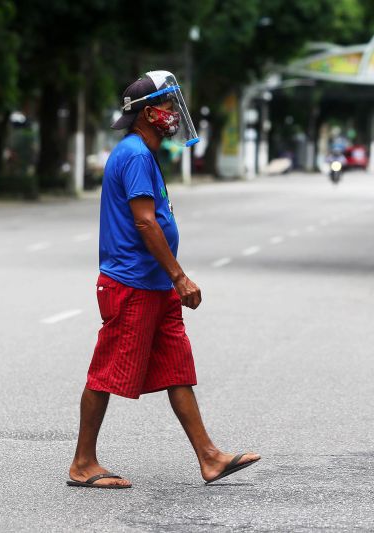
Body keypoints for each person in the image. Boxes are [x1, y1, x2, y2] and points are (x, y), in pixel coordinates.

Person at [68, 71, 260, 489]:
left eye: (174, 105)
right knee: (107, 373)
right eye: (168, 106)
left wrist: (169, 280)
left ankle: (209, 458)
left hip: (155, 286)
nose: (174, 113)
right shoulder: (135, 154)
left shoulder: (145, 153)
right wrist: (180, 276)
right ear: (145, 113)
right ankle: (83, 462)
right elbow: (145, 222)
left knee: (177, 369)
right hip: (132, 284)